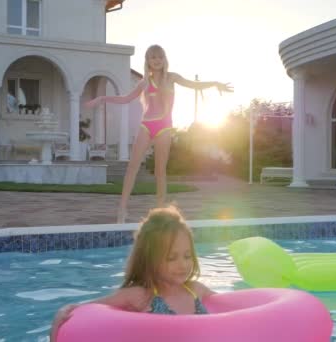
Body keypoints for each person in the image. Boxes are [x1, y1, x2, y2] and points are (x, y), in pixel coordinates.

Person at [85, 44, 233, 223]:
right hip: (146, 125)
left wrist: (215, 84)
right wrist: (102, 98)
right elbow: (125, 98)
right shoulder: (144, 83)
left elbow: (194, 84)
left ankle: (160, 210)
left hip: (164, 127)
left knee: (160, 171)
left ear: (164, 60)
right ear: (147, 61)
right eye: (153, 57)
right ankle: (122, 210)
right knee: (132, 167)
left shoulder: (172, 78)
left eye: (160, 57)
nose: (157, 61)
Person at [49, 206, 215, 341]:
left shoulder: (197, 290)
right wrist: (61, 315)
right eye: (172, 258)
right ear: (150, 259)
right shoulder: (140, 296)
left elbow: (231, 307)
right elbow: (84, 311)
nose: (183, 264)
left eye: (187, 256)